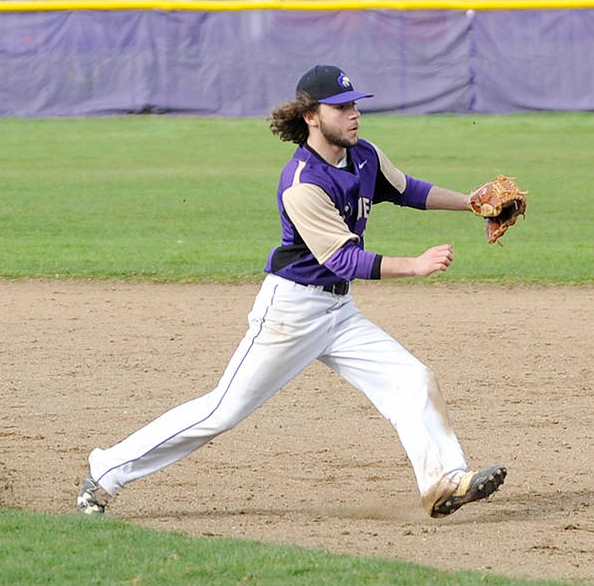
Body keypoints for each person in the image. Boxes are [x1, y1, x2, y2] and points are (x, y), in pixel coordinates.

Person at [76, 64, 507, 519]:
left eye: (356, 104)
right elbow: (342, 259)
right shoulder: (302, 183)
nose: (354, 114)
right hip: (291, 313)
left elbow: (407, 190)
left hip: (339, 313)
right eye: (341, 107)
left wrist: (473, 204)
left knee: (412, 381)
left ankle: (444, 482)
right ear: (312, 116)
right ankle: (107, 470)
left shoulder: (365, 156)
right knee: (220, 412)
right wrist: (414, 266)